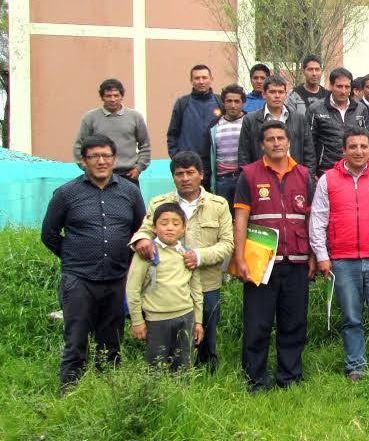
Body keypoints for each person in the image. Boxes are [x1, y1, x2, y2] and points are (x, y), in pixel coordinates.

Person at [41, 135, 146, 391]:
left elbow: (140, 232)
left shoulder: (130, 192)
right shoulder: (67, 193)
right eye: (94, 156)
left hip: (115, 279)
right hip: (79, 280)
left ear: (114, 159)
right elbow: (49, 234)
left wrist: (127, 264)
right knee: (76, 341)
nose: (101, 161)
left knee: (111, 343)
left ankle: (107, 395)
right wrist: (74, 256)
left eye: (106, 156)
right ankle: (70, 396)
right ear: (83, 161)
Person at [310, 127, 369, 379]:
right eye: (353, 146)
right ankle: (356, 366)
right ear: (344, 150)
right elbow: (318, 220)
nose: (358, 151)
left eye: (363, 147)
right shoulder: (328, 180)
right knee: (351, 317)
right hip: (343, 261)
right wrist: (322, 255)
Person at [130, 151, 234, 373]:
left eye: (190, 173)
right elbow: (144, 231)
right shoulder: (160, 203)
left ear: (201, 175)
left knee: (205, 337)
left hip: (206, 284)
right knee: (167, 345)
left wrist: (198, 256)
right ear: (173, 177)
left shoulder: (218, 205)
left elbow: (227, 243)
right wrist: (140, 241)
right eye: (179, 174)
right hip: (166, 290)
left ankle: (207, 380)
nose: (185, 178)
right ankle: (165, 383)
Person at [232, 121, 316, 392]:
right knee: (258, 323)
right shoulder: (249, 175)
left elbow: (312, 219)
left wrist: (313, 255)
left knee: (294, 322)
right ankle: (255, 379)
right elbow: (241, 219)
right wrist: (240, 258)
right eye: (270, 139)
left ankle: (289, 377)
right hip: (261, 264)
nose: (276, 143)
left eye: (281, 138)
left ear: (289, 141)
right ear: (262, 145)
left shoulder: (304, 175)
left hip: (297, 261)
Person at [126, 203, 203, 373]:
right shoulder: (147, 254)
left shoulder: (187, 255)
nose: (170, 228)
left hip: (186, 317)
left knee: (183, 364)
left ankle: (181, 397)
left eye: (176, 224)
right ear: (154, 228)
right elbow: (133, 289)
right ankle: (156, 398)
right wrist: (138, 321)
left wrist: (198, 321)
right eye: (164, 223)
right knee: (156, 366)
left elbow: (196, 290)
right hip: (157, 320)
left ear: (184, 228)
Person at [73, 79, 150, 186]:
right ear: (102, 97)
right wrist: (86, 167)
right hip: (98, 175)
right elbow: (79, 146)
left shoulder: (135, 117)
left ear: (121, 96)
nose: (112, 99)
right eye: (108, 96)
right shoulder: (90, 118)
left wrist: (138, 168)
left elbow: (145, 145)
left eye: (116, 95)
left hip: (128, 175)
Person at [238, 75, 316, 176]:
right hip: (262, 178)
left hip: (294, 177)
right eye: (272, 92)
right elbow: (244, 154)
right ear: (264, 94)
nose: (277, 96)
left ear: (286, 94)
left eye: (281, 92)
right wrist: (248, 179)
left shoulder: (299, 119)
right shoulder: (250, 120)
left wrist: (307, 177)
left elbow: (309, 153)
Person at [306, 67, 369, 178]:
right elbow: (309, 143)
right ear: (331, 86)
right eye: (339, 86)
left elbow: (367, 139)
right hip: (325, 170)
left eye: (347, 87)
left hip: (354, 170)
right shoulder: (315, 109)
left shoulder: (361, 109)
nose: (343, 91)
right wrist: (311, 174)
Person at [201, 84, 246, 206]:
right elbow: (206, 155)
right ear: (223, 103)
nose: (233, 105)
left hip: (244, 179)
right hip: (222, 181)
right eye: (229, 101)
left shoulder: (250, 123)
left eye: (237, 101)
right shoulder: (214, 126)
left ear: (243, 103)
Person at [167, 64, 222, 159]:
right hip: (188, 161)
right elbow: (173, 134)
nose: (201, 82)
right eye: (197, 78)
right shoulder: (182, 103)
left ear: (211, 79)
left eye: (204, 78)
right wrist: (175, 157)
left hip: (214, 161)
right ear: (191, 81)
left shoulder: (221, 102)